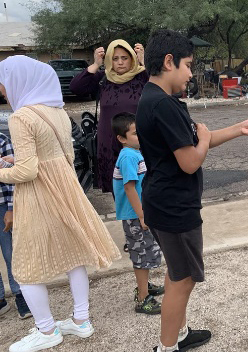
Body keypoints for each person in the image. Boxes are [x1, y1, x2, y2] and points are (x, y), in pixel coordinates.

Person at [136, 29, 248, 352]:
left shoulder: (156, 98)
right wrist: (204, 139)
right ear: (169, 62)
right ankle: (167, 348)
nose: (191, 73)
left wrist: (238, 129)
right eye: (189, 65)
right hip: (175, 208)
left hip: (163, 203)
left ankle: (179, 335)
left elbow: (193, 140)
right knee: (183, 280)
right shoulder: (163, 105)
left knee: (176, 274)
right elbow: (191, 160)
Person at [0, 56, 121, 352]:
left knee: (24, 265)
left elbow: (27, 172)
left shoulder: (21, 116)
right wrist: (21, 160)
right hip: (65, 188)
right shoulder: (56, 111)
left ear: (18, 80)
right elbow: (62, 154)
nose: (3, 89)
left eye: (4, 81)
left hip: (38, 194)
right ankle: (81, 321)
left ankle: (46, 330)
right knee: (74, 253)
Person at [70, 39, 148, 193]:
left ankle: (142, 217)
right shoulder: (103, 78)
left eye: (124, 58)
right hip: (110, 144)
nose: (120, 62)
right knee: (118, 190)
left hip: (139, 143)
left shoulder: (141, 77)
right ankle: (128, 218)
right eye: (115, 58)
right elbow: (76, 87)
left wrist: (143, 62)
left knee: (143, 188)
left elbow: (161, 85)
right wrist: (95, 64)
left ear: (132, 58)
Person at [112, 112, 164, 315]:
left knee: (147, 251)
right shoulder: (128, 156)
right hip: (135, 215)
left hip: (141, 212)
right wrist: (142, 215)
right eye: (135, 134)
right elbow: (129, 188)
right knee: (141, 254)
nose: (140, 136)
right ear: (121, 138)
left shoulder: (135, 153)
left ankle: (145, 285)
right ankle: (143, 298)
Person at [0, 132, 31, 320]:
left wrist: (11, 209)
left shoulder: (2, 141)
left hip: (2, 205)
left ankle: (20, 294)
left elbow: (13, 175)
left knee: (10, 251)